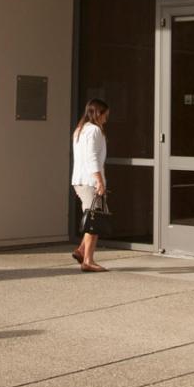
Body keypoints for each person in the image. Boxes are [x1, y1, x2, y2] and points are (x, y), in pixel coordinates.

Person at [71, 98, 109, 273]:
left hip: (79, 181)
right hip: (89, 182)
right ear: (98, 113)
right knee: (94, 221)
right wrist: (99, 181)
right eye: (105, 115)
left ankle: (81, 251)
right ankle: (88, 260)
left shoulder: (80, 130)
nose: (106, 119)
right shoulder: (94, 130)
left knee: (92, 217)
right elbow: (92, 157)